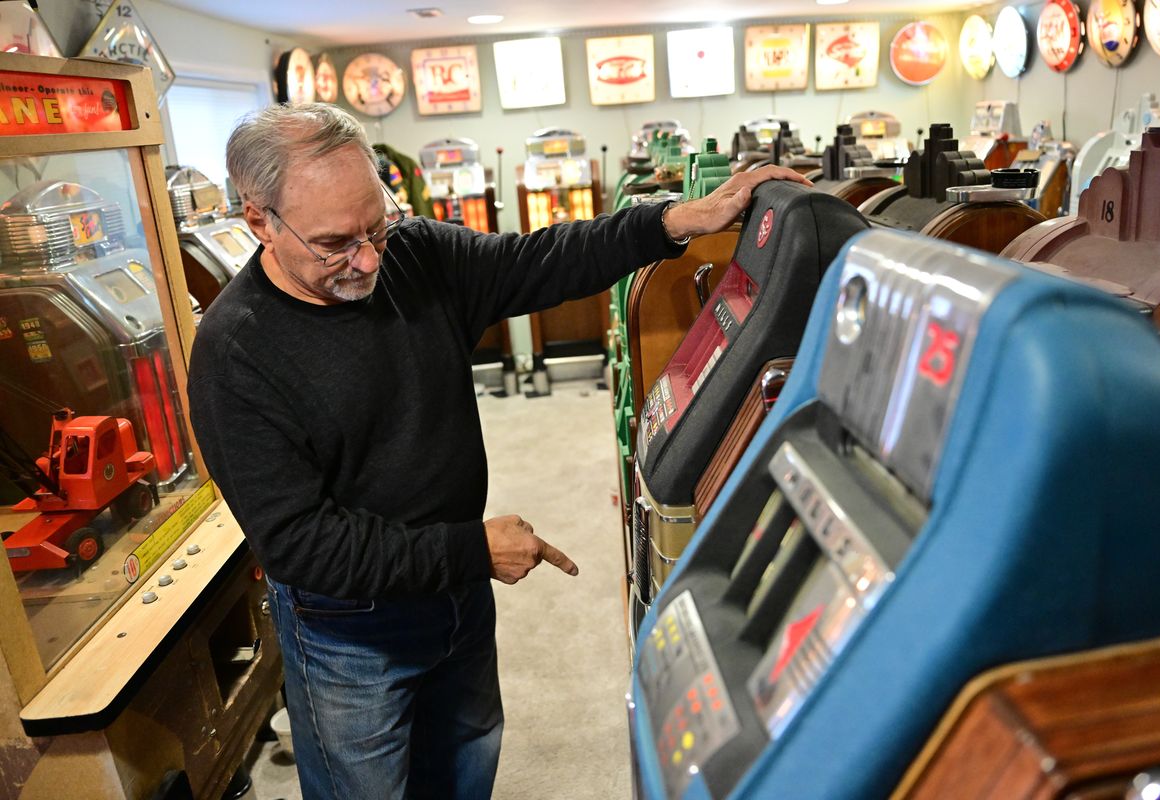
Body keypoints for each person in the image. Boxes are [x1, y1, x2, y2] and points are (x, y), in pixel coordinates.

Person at [187, 103, 808, 799]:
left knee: (464, 770)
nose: (367, 259)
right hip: (351, 634)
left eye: (376, 227)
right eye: (335, 243)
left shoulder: (415, 255)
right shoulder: (236, 354)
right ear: (259, 220)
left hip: (456, 596)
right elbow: (300, 545)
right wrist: (470, 551)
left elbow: (540, 260)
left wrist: (670, 223)